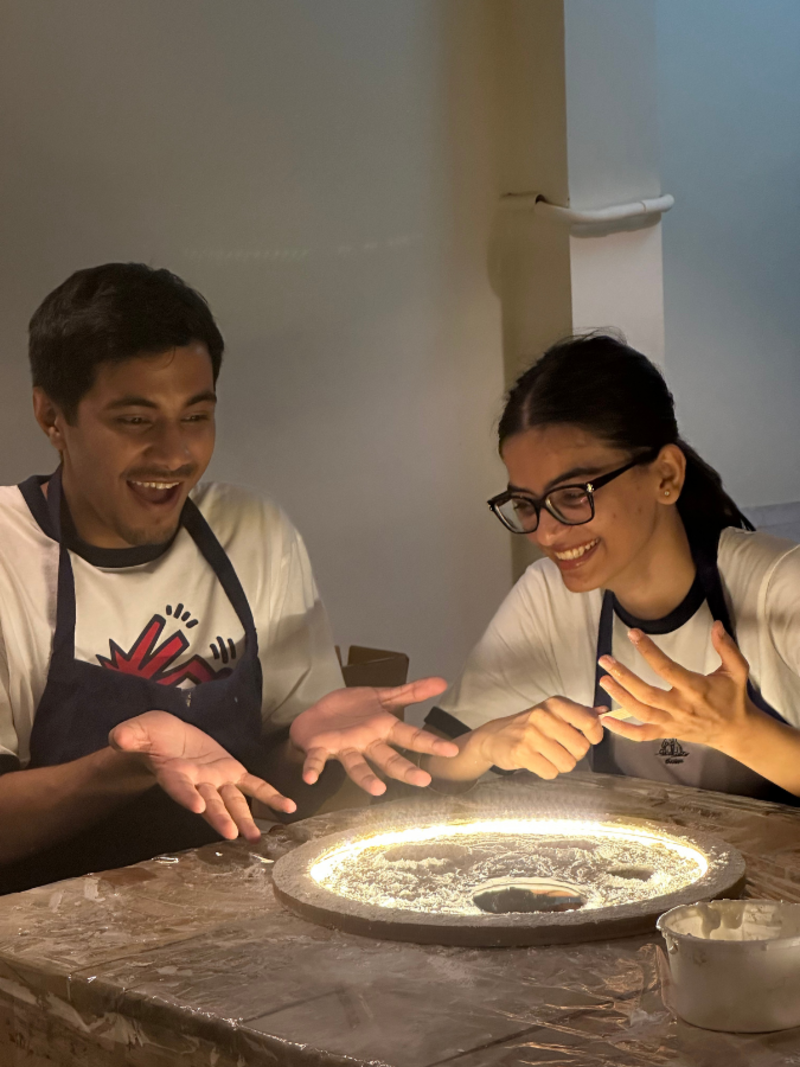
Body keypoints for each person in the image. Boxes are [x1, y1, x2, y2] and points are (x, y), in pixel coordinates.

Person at [0, 263, 457, 894]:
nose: (174, 453)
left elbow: (274, 795)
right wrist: (124, 767)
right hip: (41, 935)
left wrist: (304, 749)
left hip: (226, 913)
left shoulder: (253, 531)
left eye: (195, 417)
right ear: (52, 417)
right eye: (136, 421)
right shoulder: (9, 552)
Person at [423, 334, 800, 800]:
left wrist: (741, 733)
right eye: (524, 504)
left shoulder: (781, 586)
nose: (546, 534)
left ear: (666, 476)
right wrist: (485, 744)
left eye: (573, 495)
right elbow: (425, 766)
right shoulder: (548, 598)